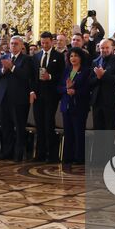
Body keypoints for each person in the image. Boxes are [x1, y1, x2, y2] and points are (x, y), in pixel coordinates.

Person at [32, 32, 66, 162]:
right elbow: (32, 76)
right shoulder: (36, 56)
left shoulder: (58, 56)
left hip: (51, 95)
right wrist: (32, 90)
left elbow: (62, 75)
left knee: (48, 125)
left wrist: (50, 77)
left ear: (52, 42)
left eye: (47, 43)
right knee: (39, 125)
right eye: (42, 43)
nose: (44, 45)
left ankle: (52, 155)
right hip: (38, 95)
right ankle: (40, 153)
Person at [0, 39, 33, 160]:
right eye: (11, 43)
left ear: (21, 45)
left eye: (16, 44)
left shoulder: (26, 59)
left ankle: (18, 154)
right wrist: (3, 70)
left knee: (19, 127)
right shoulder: (4, 57)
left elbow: (26, 75)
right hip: (4, 97)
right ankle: (7, 152)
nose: (13, 45)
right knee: (6, 127)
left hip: (19, 99)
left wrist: (12, 67)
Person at [59, 48, 95, 165]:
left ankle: (79, 157)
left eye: (76, 56)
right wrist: (67, 89)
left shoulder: (86, 71)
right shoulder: (66, 70)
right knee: (68, 132)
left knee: (78, 133)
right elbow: (58, 87)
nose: (73, 58)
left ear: (81, 58)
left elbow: (88, 88)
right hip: (67, 105)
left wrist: (75, 91)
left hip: (79, 106)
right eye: (71, 56)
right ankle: (68, 157)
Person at [91, 37, 115, 133]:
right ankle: (99, 148)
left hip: (111, 101)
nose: (104, 50)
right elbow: (90, 81)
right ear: (99, 48)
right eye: (102, 48)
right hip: (97, 101)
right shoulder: (95, 61)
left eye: (107, 48)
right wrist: (98, 77)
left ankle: (109, 149)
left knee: (110, 130)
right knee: (98, 129)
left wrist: (103, 76)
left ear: (112, 48)